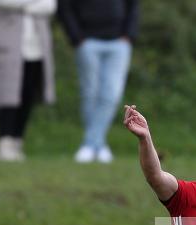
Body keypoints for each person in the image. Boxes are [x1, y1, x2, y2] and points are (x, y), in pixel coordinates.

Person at [58, 0, 139, 163]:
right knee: (90, 93)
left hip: (119, 42)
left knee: (112, 94)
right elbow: (65, 7)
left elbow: (133, 6)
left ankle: (91, 144)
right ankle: (98, 145)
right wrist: (76, 37)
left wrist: (129, 35)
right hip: (87, 41)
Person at [0, 0, 57, 161]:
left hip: (36, 48)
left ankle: (17, 141)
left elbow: (50, 6)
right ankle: (4, 142)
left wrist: (21, 5)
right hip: (7, 46)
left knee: (27, 94)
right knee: (7, 96)